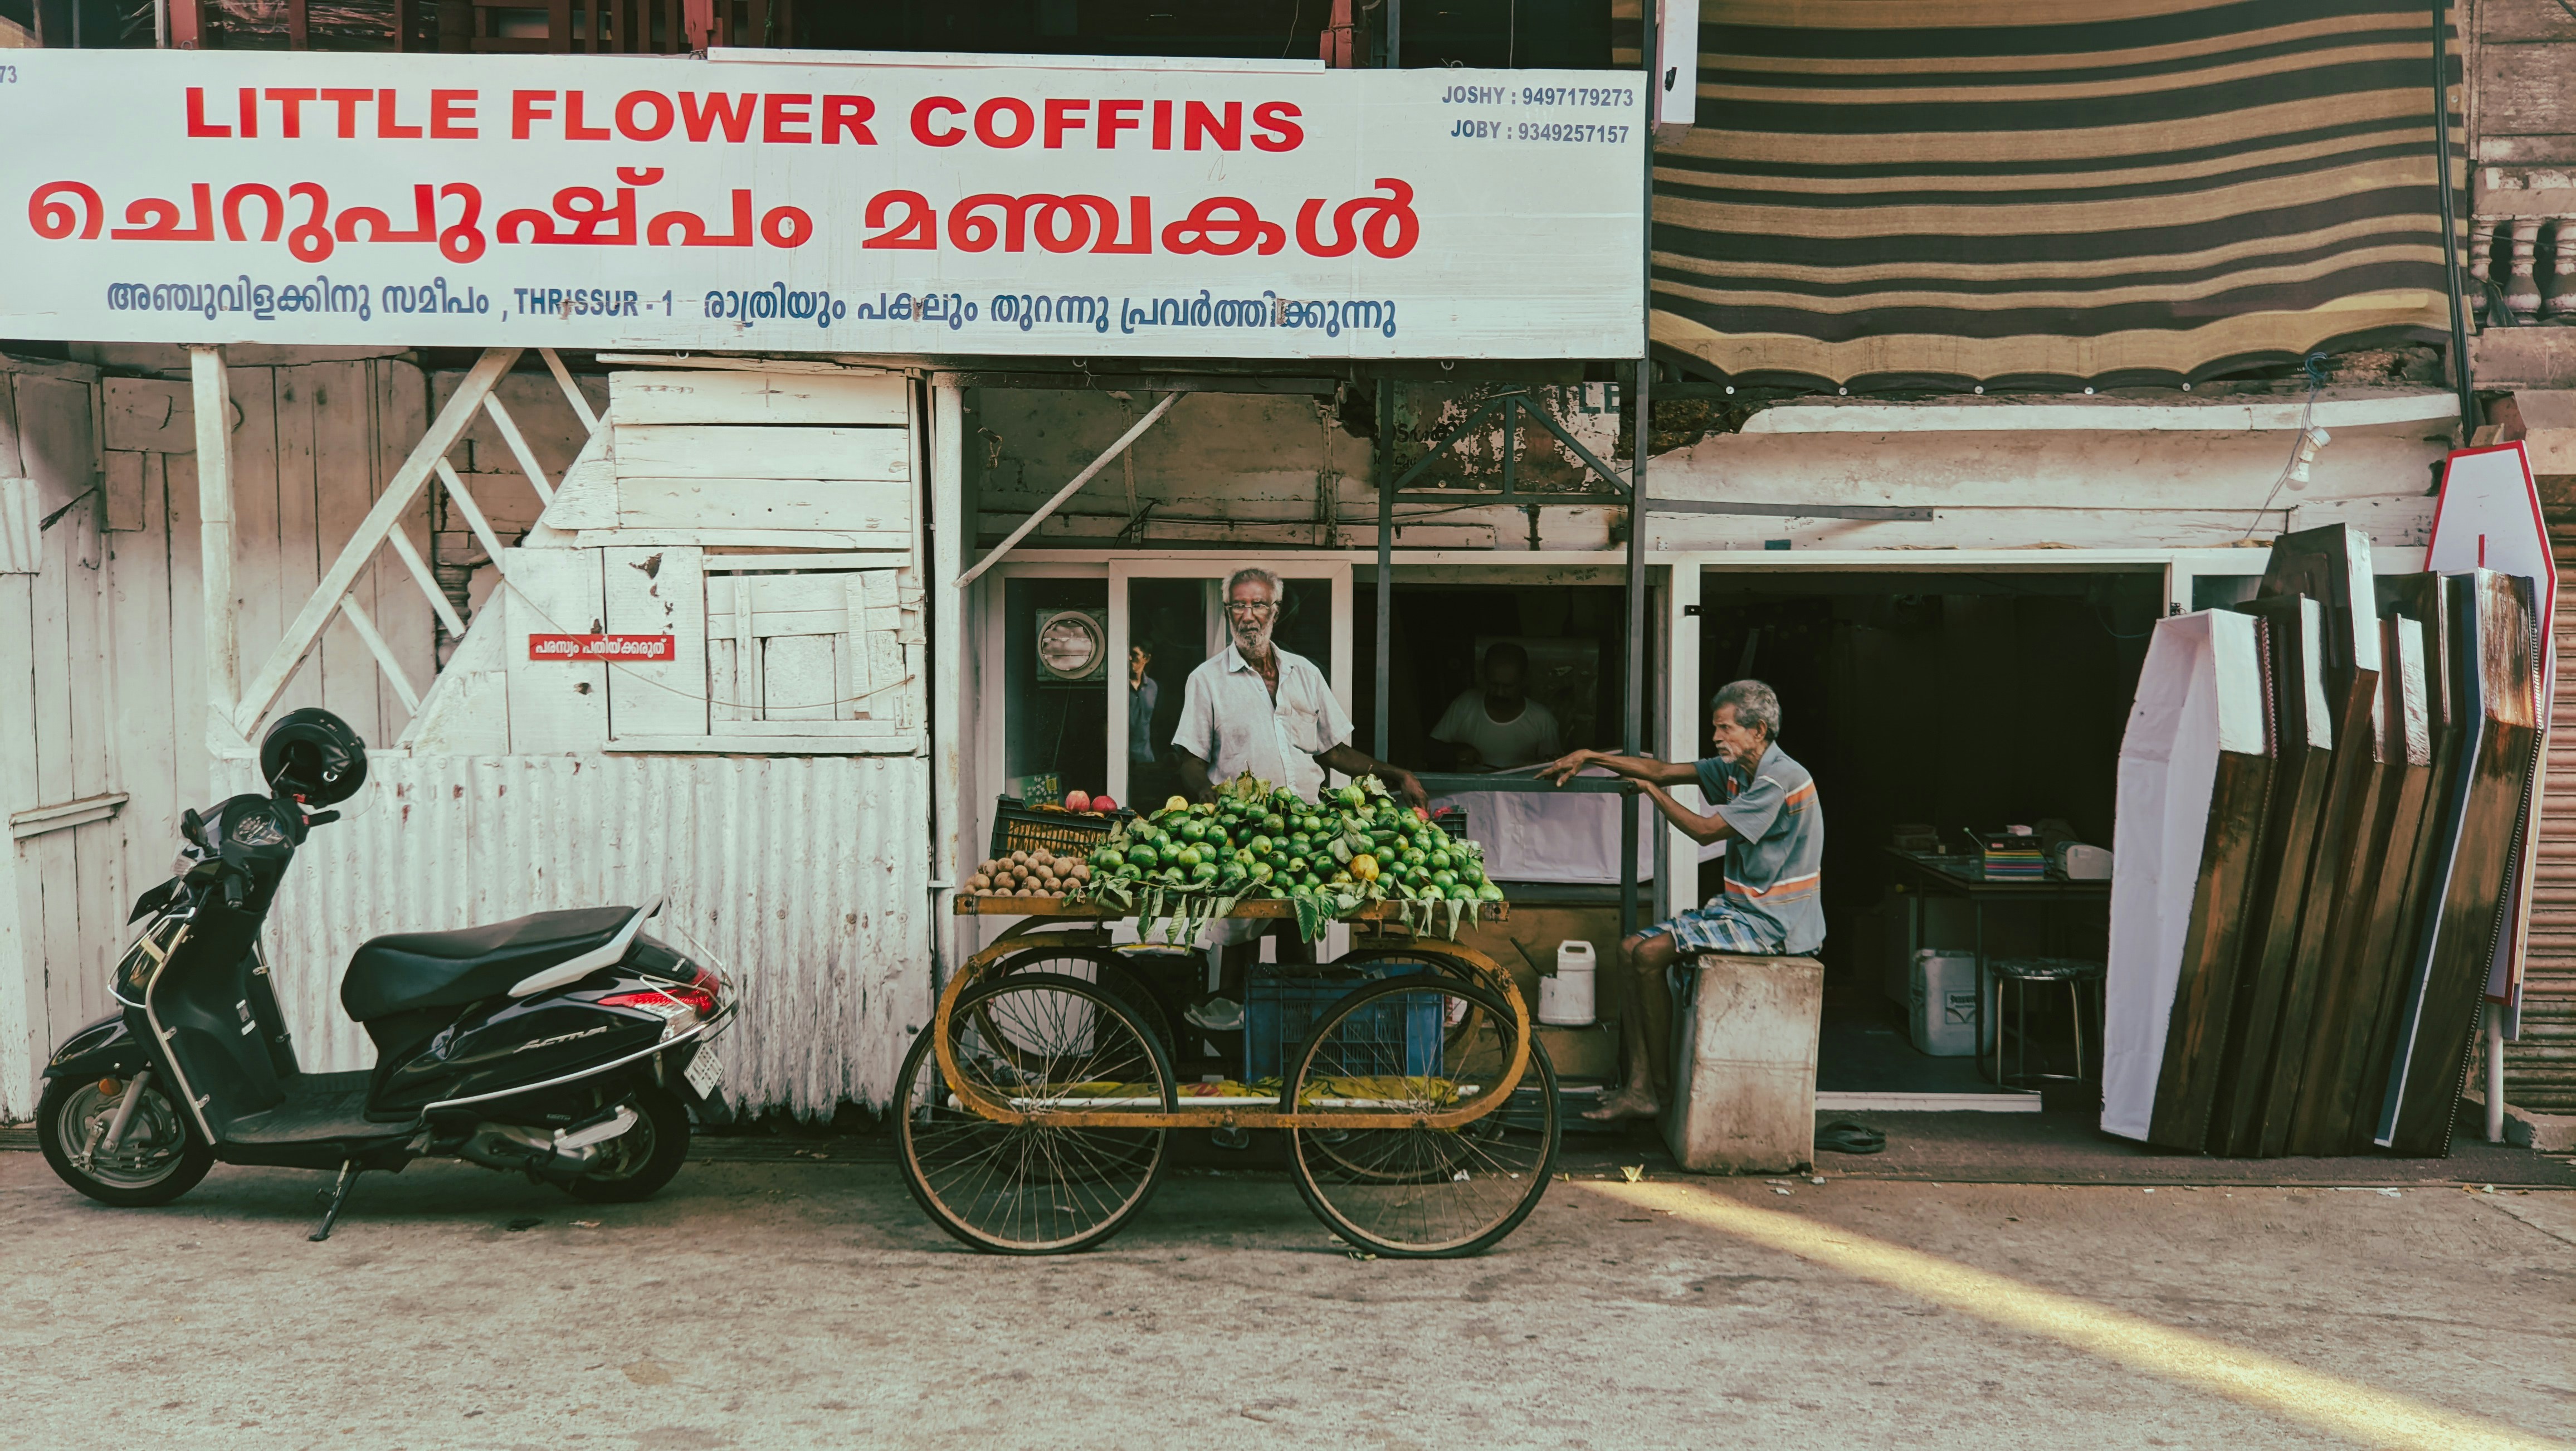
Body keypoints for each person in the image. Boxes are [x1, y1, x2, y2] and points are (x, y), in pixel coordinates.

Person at [1537, 679, 1823, 1122]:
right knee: (1629, 948)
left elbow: (1704, 829)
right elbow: (1666, 771)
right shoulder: (1739, 769)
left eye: (1725, 729)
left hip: (1776, 924)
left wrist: (1651, 795)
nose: (1717, 738)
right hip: (1743, 912)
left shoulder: (1778, 779)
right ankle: (1640, 1088)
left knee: (1649, 954)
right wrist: (1591, 756)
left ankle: (1660, 1092)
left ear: (1759, 731)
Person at [1173, 566, 1429, 1030]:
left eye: (1258, 605)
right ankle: (1237, 1066)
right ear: (1228, 611)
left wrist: (1397, 774)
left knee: (1298, 937)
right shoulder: (1206, 680)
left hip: (1305, 836)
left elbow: (1334, 750)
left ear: (1275, 612)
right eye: (1238, 606)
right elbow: (1188, 755)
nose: (1247, 616)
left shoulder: (1304, 674)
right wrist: (1204, 791)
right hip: (1241, 835)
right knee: (1237, 945)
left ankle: (1294, 1051)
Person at [1430, 640, 1560, 771]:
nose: (1499, 693)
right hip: (1468, 791)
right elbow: (1430, 749)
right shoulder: (1466, 704)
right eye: (1494, 684)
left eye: (1508, 686)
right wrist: (1456, 751)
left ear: (1523, 680)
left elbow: (1553, 768)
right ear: (1485, 677)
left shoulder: (1542, 719)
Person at [1127, 639, 1160, 767]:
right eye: (1128, 654)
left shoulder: (1152, 687)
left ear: (1146, 659)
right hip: (1121, 757)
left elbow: (1152, 722)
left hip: (1146, 758)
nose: (1129, 658)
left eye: (1135, 655)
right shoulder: (1118, 685)